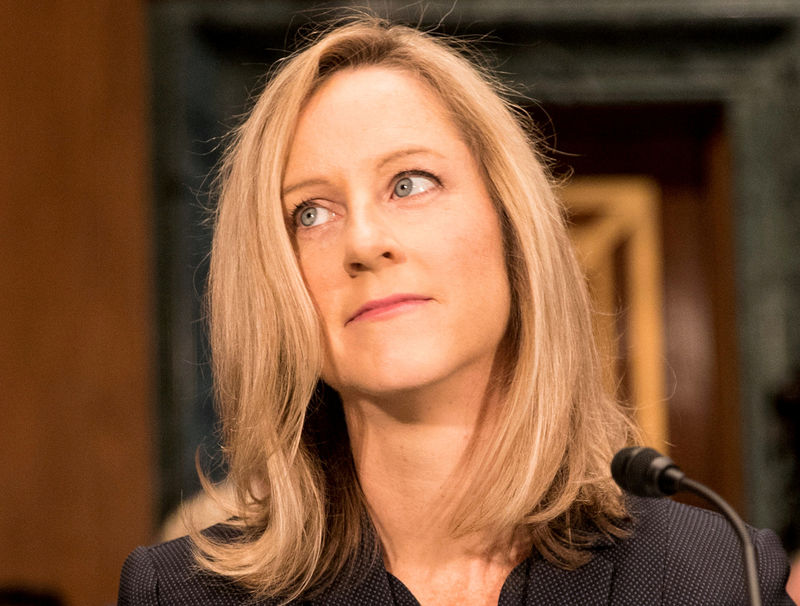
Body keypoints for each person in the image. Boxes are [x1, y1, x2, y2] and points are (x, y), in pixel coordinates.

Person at [118, 15, 794, 605]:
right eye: (310, 213)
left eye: (410, 184)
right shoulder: (179, 593)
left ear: (512, 226)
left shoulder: (717, 574)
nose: (364, 241)